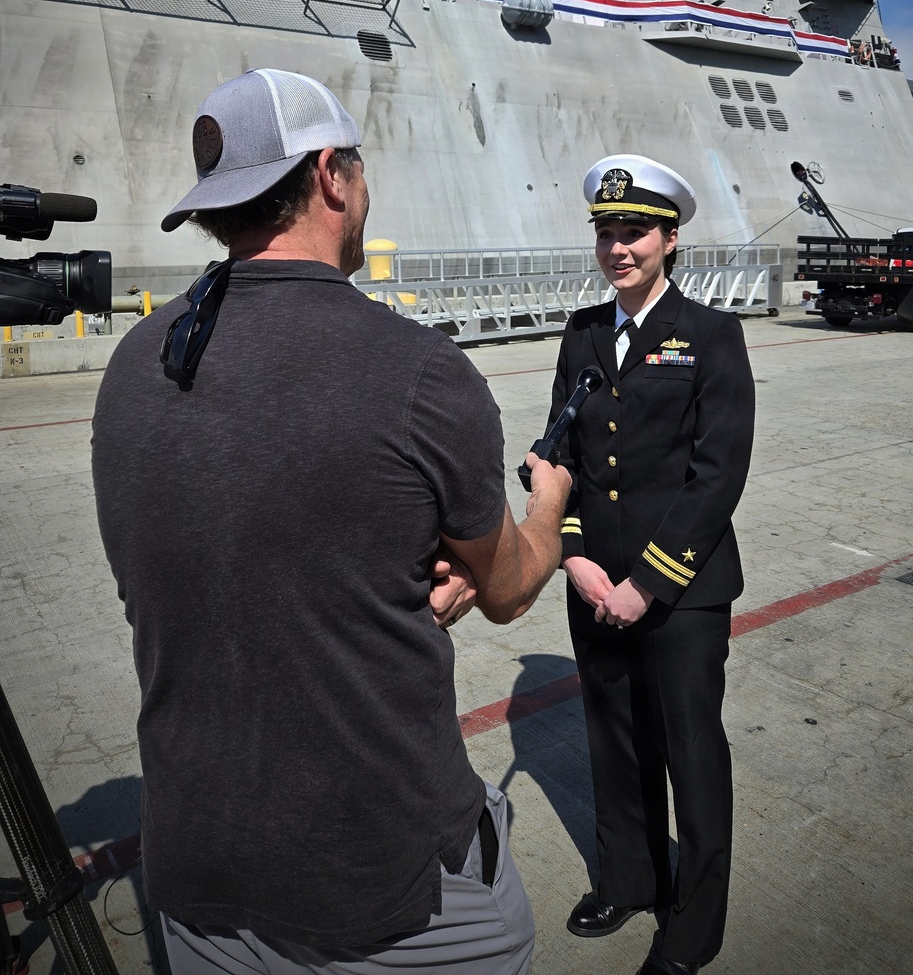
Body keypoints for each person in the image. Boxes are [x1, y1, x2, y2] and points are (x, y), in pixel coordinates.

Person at [92, 68, 570, 975]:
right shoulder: (421, 373)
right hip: (381, 887)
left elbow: (214, 554)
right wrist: (544, 507)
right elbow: (506, 587)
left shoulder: (133, 363)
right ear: (331, 176)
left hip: (197, 877)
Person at [548, 154, 755, 975]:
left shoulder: (712, 335)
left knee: (691, 754)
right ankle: (630, 878)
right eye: (606, 231)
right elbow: (560, 449)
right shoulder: (584, 331)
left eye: (634, 231)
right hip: (596, 584)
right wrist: (573, 555)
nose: (618, 246)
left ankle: (693, 929)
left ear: (670, 238)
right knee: (615, 740)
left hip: (682, 594)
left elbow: (718, 474)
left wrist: (647, 583)